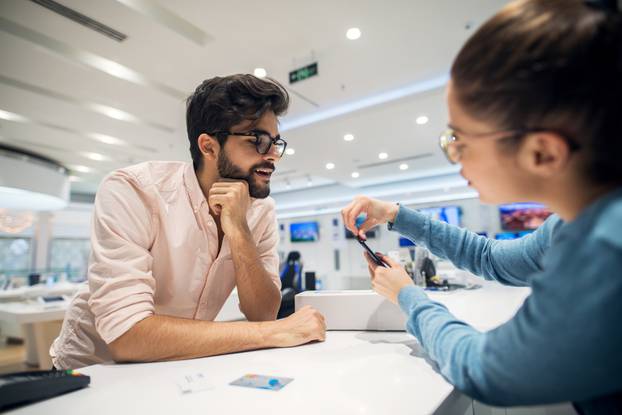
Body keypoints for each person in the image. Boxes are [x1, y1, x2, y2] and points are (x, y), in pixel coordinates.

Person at [342, 0, 622, 413]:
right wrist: (394, 213)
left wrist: (409, 297)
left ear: (541, 152)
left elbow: (485, 369)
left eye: (460, 141)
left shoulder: (606, 250)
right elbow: (490, 257)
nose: (454, 155)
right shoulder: (573, 223)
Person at [51, 74, 326, 370]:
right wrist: (273, 333)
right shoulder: (134, 190)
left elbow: (263, 312)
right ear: (208, 147)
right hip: (93, 370)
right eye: (258, 140)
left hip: (177, 366)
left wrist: (239, 230)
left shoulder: (260, 210)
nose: (273, 155)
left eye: (275, 142)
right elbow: (127, 335)